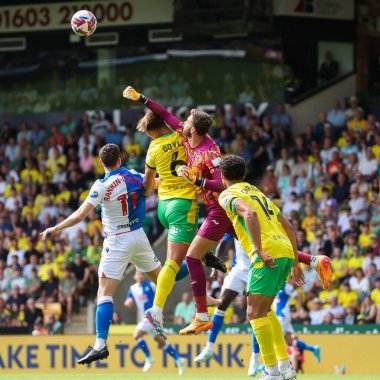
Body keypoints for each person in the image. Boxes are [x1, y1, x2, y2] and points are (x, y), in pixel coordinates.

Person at [123, 86, 332, 339]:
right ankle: (313, 259)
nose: (182, 122)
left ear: (195, 129)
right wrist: (141, 99)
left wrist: (196, 181)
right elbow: (164, 113)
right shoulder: (186, 135)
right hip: (217, 208)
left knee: (191, 257)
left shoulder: (209, 152)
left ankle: (201, 316)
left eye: (187, 120)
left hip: (219, 207)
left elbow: (223, 184)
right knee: (252, 241)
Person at [40, 144, 164, 364]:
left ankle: (100, 345)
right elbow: (153, 184)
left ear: (100, 162)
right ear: (120, 159)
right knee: (164, 277)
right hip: (138, 235)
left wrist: (54, 228)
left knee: (104, 293)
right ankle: (196, 263)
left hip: (117, 240)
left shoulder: (101, 186)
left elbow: (80, 215)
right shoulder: (134, 174)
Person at [129, 110, 225, 339]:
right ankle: (156, 311)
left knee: (193, 253)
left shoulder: (152, 149)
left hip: (164, 207)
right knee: (173, 264)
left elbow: (148, 185)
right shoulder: (183, 137)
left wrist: (139, 188)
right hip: (184, 207)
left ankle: (201, 292)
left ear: (152, 131)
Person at [218, 155, 303, 380]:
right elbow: (290, 227)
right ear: (243, 175)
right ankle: (285, 367)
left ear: (222, 176)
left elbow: (250, 214)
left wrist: (259, 250)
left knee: (253, 312)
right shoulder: (256, 192)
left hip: (268, 253)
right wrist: (295, 262)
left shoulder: (227, 194)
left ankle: (271, 372)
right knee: (265, 311)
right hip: (285, 250)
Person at [194, 235, 261, 377]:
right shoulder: (236, 220)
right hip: (239, 269)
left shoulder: (260, 221)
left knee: (254, 314)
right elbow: (223, 243)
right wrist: (215, 268)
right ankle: (209, 348)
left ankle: (255, 357)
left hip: (257, 271)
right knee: (221, 304)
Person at [124, 271, 185, 375]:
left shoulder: (151, 285)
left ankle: (149, 358)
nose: (141, 276)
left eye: (142, 274)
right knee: (160, 341)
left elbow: (162, 292)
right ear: (134, 276)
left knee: (136, 335)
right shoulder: (133, 288)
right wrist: (128, 303)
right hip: (143, 319)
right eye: (138, 274)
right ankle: (178, 359)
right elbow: (128, 301)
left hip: (151, 317)